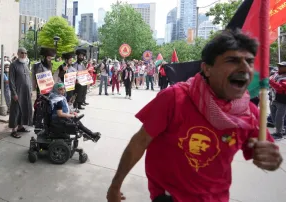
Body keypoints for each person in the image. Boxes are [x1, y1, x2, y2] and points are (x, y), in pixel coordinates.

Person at [107, 29, 282, 202]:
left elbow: (268, 155)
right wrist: (115, 185)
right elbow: (139, 142)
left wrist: (269, 158)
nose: (245, 68)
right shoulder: (174, 99)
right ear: (207, 69)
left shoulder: (250, 113)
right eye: (232, 60)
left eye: (250, 61)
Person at [8, 48, 33, 139]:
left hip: (26, 93)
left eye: (25, 53)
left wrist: (30, 90)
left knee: (24, 109)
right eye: (22, 53)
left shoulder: (25, 64)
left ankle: (20, 126)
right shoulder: (13, 65)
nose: (24, 55)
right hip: (18, 92)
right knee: (16, 111)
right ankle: (13, 130)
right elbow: (11, 81)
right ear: (18, 53)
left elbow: (29, 79)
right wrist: (14, 93)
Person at [269, 61, 286, 140]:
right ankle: (279, 130)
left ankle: (279, 134)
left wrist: (271, 81)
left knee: (279, 117)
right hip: (272, 98)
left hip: (282, 100)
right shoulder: (275, 74)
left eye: (281, 66)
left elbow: (281, 88)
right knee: (273, 117)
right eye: (278, 65)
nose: (279, 67)